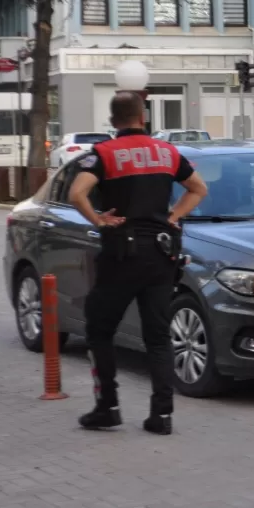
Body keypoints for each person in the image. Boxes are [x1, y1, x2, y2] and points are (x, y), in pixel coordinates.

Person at [67, 91, 208, 435]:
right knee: (158, 337)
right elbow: (198, 188)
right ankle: (161, 416)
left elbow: (76, 193)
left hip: (121, 255)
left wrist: (98, 220)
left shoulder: (103, 153)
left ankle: (108, 407)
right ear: (143, 117)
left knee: (100, 330)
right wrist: (173, 215)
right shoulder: (167, 152)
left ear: (114, 121)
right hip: (161, 255)